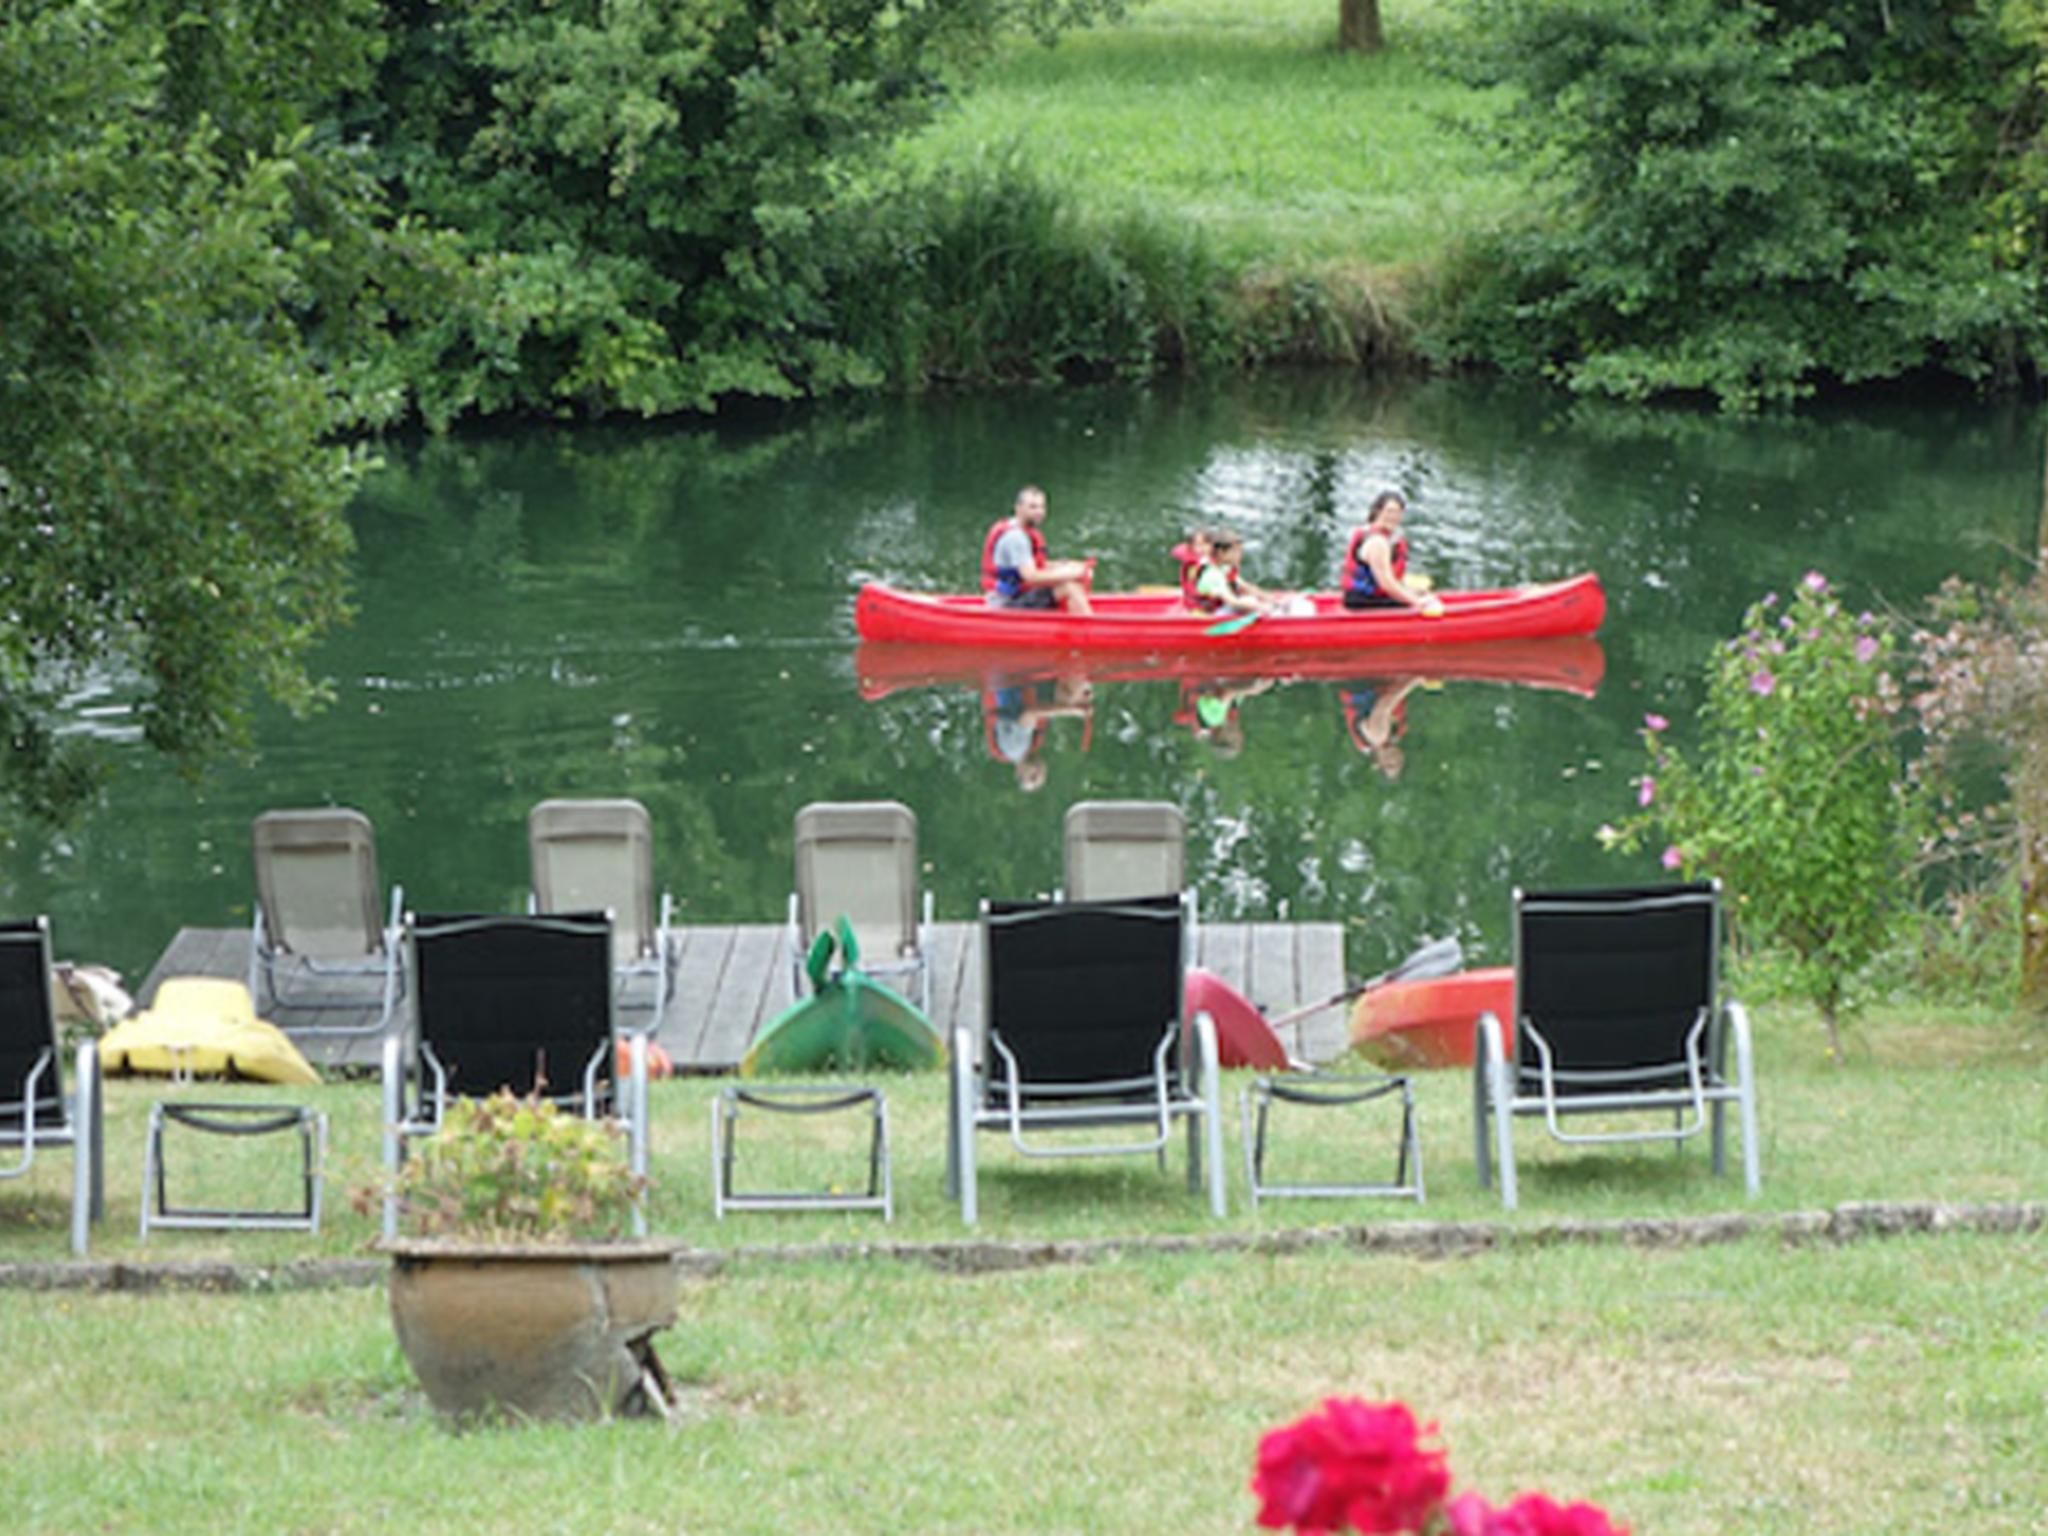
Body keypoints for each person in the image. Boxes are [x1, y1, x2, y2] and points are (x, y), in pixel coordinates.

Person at [980, 485, 1094, 615]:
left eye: (1042, 507)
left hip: (1018, 596)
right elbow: (1031, 576)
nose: (1039, 512)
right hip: (1004, 605)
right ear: (1018, 508)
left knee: (1071, 583)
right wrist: (1072, 573)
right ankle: (1091, 631)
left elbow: (1032, 565)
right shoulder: (1016, 538)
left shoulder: (1025, 532)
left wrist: (1065, 565)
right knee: (1069, 587)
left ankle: (1079, 625)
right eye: (1033, 507)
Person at [1342, 491, 1442, 616]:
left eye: (1398, 513)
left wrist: (1413, 591)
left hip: (1367, 597)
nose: (1393, 517)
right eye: (1389, 511)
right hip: (1363, 602)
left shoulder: (1384, 536)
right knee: (1419, 601)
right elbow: (1387, 584)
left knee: (1422, 593)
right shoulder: (1377, 542)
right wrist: (1417, 602)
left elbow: (1390, 580)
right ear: (1378, 511)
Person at [1191, 531, 1272, 617]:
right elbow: (1233, 602)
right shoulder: (1213, 575)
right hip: (1210, 615)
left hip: (1222, 607)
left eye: (1240, 551)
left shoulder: (1224, 569)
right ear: (1221, 553)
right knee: (1250, 601)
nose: (1240, 555)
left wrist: (1269, 598)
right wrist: (1260, 607)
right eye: (1235, 551)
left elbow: (1246, 586)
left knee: (1250, 598)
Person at [1170, 528, 1212, 609]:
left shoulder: (1210, 558)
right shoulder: (1192, 564)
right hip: (1195, 601)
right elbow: (1192, 587)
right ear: (1191, 547)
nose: (1202, 548)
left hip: (1206, 597)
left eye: (1206, 543)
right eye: (1198, 545)